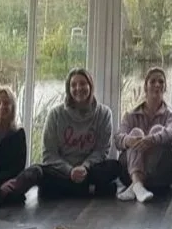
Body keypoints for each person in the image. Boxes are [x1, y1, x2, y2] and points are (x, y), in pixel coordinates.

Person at [11, 68, 119, 199]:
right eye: (73, 85)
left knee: (114, 167)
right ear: (68, 89)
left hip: (89, 170)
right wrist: (70, 171)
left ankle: (64, 189)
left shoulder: (104, 113)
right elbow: (49, 154)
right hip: (61, 172)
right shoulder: (55, 114)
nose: (78, 88)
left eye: (83, 83)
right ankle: (8, 194)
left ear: (90, 86)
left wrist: (84, 167)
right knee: (35, 171)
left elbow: (102, 150)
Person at [115, 67, 172, 203]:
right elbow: (118, 138)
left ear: (165, 88)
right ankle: (138, 185)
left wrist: (151, 140)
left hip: (162, 172)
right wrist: (130, 141)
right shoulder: (131, 115)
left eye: (161, 82)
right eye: (153, 81)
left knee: (157, 130)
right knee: (135, 133)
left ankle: (136, 185)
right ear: (145, 87)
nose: (157, 85)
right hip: (129, 172)